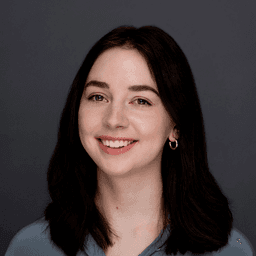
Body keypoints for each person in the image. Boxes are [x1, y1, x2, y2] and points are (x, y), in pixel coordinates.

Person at [5, 25, 254, 256]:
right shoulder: (30, 248)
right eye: (98, 97)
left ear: (176, 126)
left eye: (141, 101)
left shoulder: (230, 251)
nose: (114, 120)